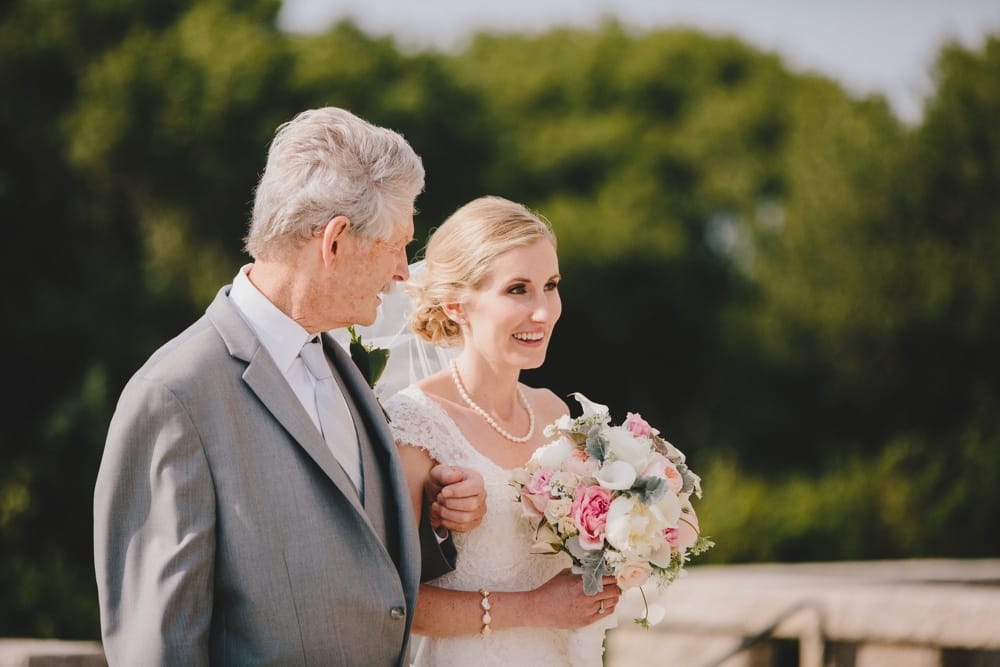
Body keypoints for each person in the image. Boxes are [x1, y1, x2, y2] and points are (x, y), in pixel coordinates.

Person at [93, 106, 487, 666]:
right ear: (334, 241)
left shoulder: (342, 363)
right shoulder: (175, 397)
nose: (405, 270)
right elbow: (159, 646)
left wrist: (436, 514)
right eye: (396, 245)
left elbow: (353, 561)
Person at [382, 196, 622, 665]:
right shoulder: (415, 423)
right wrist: (539, 607)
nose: (543, 311)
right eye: (517, 290)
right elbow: (397, 604)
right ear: (456, 304)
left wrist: (639, 537)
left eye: (550, 286)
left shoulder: (555, 412)